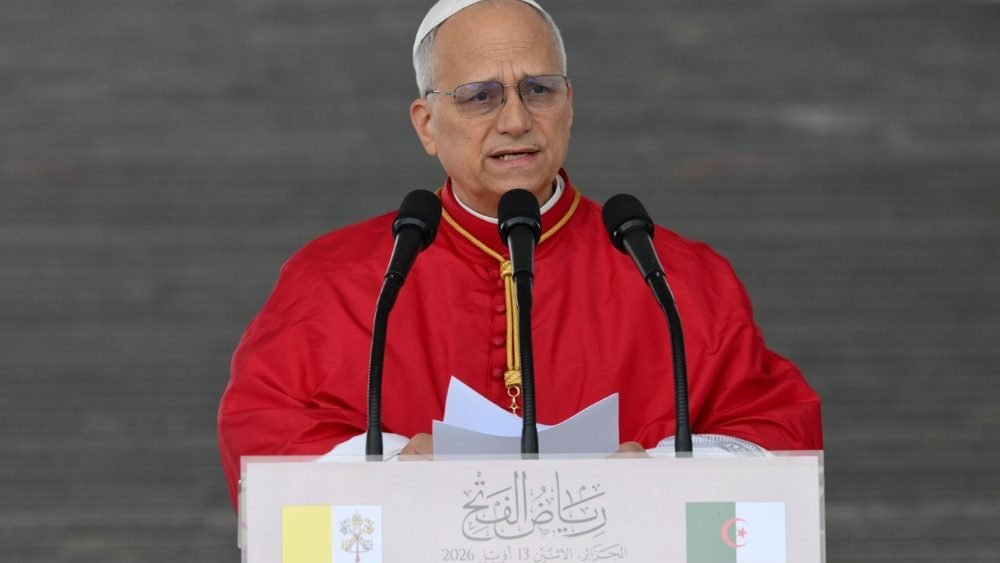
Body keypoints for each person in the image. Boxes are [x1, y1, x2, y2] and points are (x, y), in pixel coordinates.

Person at [217, 0, 822, 507]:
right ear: (427, 124)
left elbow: (777, 429)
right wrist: (394, 468)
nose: (515, 119)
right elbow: (263, 430)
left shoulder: (676, 275)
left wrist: (659, 476)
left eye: (539, 89)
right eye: (479, 96)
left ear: (569, 105)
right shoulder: (334, 279)